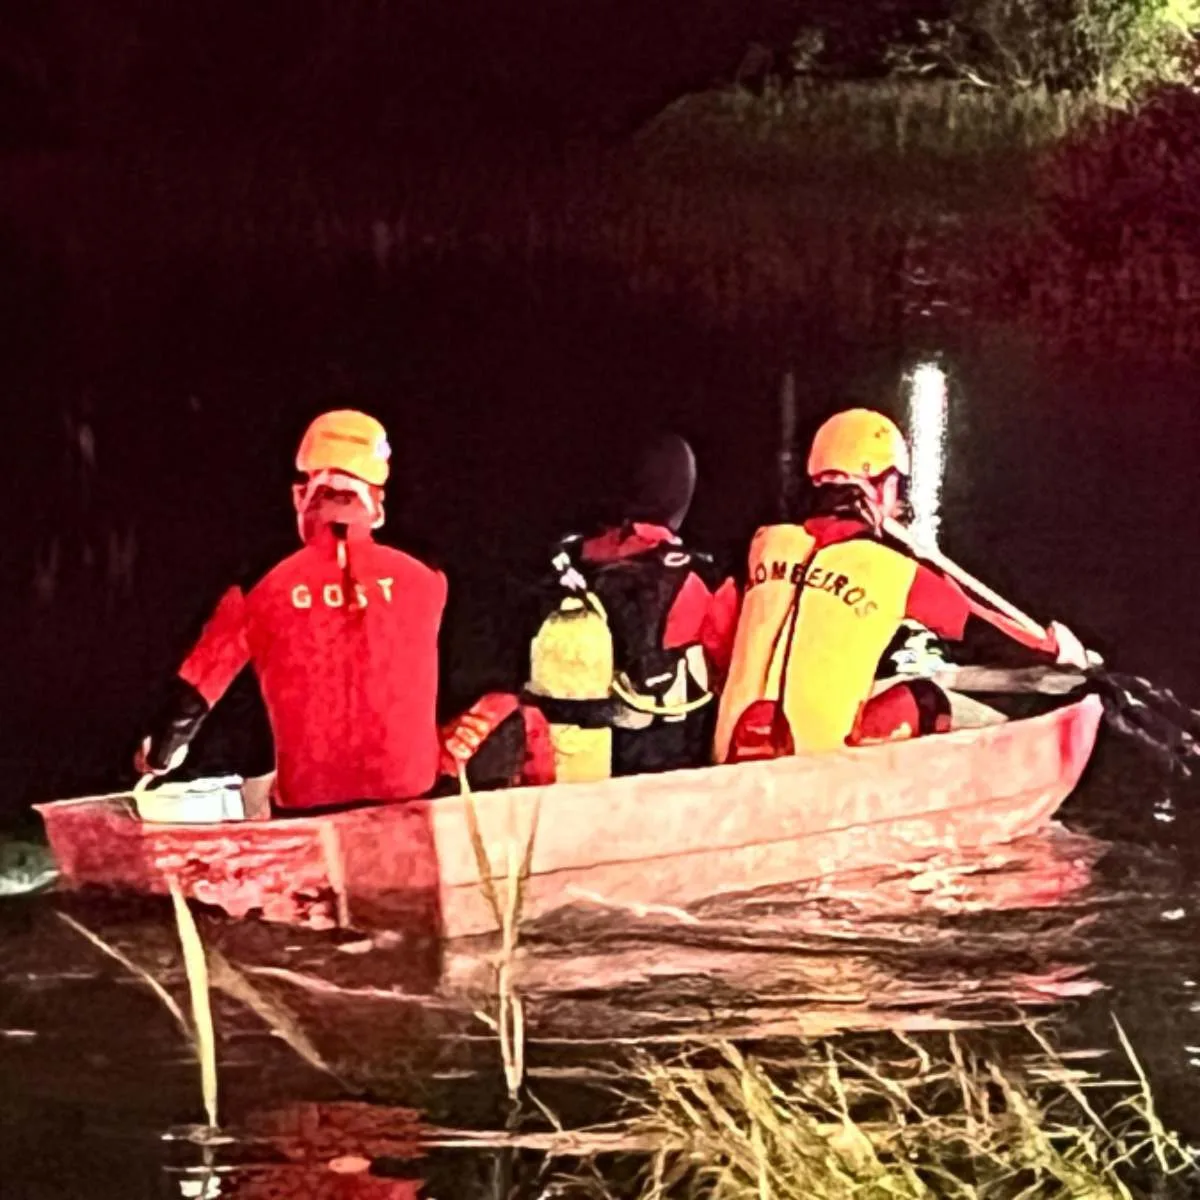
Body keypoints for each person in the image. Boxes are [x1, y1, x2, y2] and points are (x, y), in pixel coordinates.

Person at [714, 408, 1090, 764]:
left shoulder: (763, 545)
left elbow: (718, 635)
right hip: (815, 762)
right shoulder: (893, 568)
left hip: (728, 748)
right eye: (894, 485)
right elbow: (982, 632)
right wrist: (1051, 648)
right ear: (879, 486)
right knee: (927, 698)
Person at [135, 410, 447, 811]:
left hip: (309, 800)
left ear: (300, 497)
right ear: (378, 505)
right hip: (410, 793)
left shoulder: (259, 589)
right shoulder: (429, 579)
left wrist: (159, 757)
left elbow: (192, 695)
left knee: (258, 790)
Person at [439, 432, 738, 787]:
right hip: (666, 782)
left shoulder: (556, 566)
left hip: (557, 775)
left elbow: (505, 676)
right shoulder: (704, 580)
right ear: (681, 495)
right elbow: (730, 674)